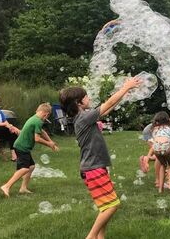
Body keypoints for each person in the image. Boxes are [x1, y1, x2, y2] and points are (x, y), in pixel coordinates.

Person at [59, 76, 142, 239]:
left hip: (93, 168)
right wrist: (125, 87)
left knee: (105, 206)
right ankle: (91, 236)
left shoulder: (83, 117)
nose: (88, 98)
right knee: (112, 205)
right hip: (93, 168)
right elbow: (108, 104)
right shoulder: (83, 118)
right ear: (78, 102)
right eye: (86, 96)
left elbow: (107, 109)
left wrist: (124, 94)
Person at [1, 103, 58, 197]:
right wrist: (49, 144)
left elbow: (42, 132)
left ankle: (23, 188)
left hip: (22, 147)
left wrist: (51, 141)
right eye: (47, 116)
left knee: (31, 167)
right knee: (24, 168)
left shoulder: (35, 118)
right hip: (21, 147)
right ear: (46, 114)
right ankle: (6, 186)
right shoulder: (38, 121)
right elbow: (37, 139)